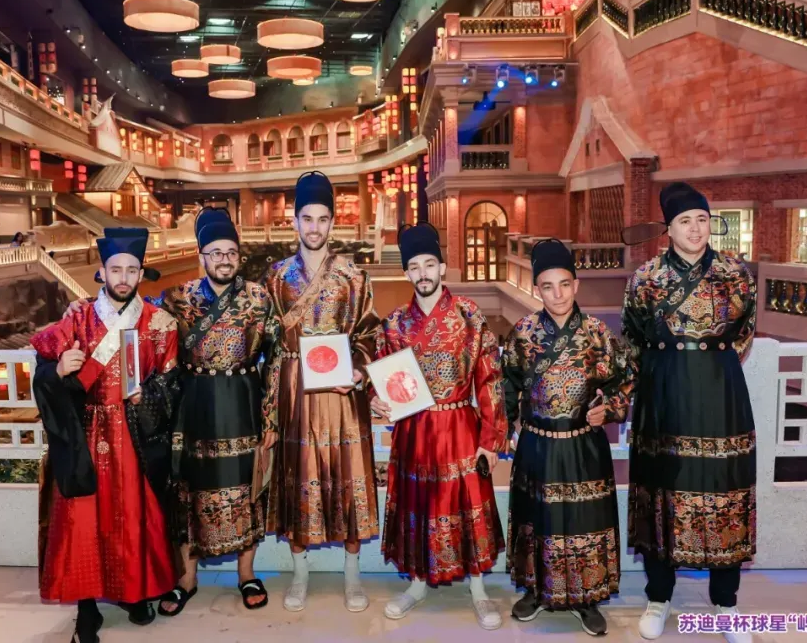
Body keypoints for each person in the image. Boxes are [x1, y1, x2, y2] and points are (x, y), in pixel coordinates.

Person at [623, 183, 757, 643]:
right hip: (663, 397)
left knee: (725, 490)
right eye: (685, 221)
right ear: (669, 229)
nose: (696, 229)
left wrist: (709, 366)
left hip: (722, 395)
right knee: (662, 489)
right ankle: (658, 597)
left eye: (702, 219)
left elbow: (744, 334)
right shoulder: (645, 278)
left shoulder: (736, 274)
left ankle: (726, 603)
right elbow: (633, 340)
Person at [30, 227, 179, 643]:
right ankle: (86, 607)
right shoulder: (77, 317)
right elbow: (42, 366)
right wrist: (58, 371)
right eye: (116, 269)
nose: (124, 278)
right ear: (102, 272)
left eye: (132, 270)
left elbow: (172, 381)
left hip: (133, 434)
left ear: (141, 274)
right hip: (85, 432)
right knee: (83, 520)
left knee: (133, 517)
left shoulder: (160, 322)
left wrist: (148, 396)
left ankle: (134, 592)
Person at [370, 223, 507, 629]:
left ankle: (478, 589)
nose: (423, 273)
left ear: (442, 267)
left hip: (461, 425)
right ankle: (416, 584)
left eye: (430, 264)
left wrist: (490, 439)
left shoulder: (468, 315)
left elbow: (490, 378)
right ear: (406, 273)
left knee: (467, 504)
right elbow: (381, 377)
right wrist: (375, 397)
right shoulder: (394, 324)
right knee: (418, 504)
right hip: (415, 431)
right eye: (414, 267)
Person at [502, 239, 635, 637]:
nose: (557, 294)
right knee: (536, 519)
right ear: (537, 289)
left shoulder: (598, 335)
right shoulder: (523, 334)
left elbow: (624, 381)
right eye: (548, 286)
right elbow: (505, 387)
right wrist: (505, 429)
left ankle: (586, 596)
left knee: (583, 522)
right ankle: (536, 590)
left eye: (564, 284)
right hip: (537, 445)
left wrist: (609, 408)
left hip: (583, 445)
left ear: (576, 285)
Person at [264, 171, 381, 613]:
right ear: (295, 222)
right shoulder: (276, 277)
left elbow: (369, 334)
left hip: (341, 394)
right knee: (298, 475)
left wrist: (359, 371)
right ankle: (300, 574)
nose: (314, 227)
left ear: (333, 223)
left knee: (347, 478)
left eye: (323, 219)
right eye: (307, 218)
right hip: (295, 388)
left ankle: (352, 575)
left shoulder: (353, 275)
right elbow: (266, 340)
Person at [156, 208, 283, 615]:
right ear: (202, 257)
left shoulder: (259, 298)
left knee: (246, 486)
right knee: (189, 487)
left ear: (238, 256)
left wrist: (271, 416)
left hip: (243, 401)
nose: (224, 260)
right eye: (216, 253)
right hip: (194, 405)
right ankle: (187, 578)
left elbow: (277, 357)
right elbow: (144, 330)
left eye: (231, 252)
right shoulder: (177, 299)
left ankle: (246, 574)